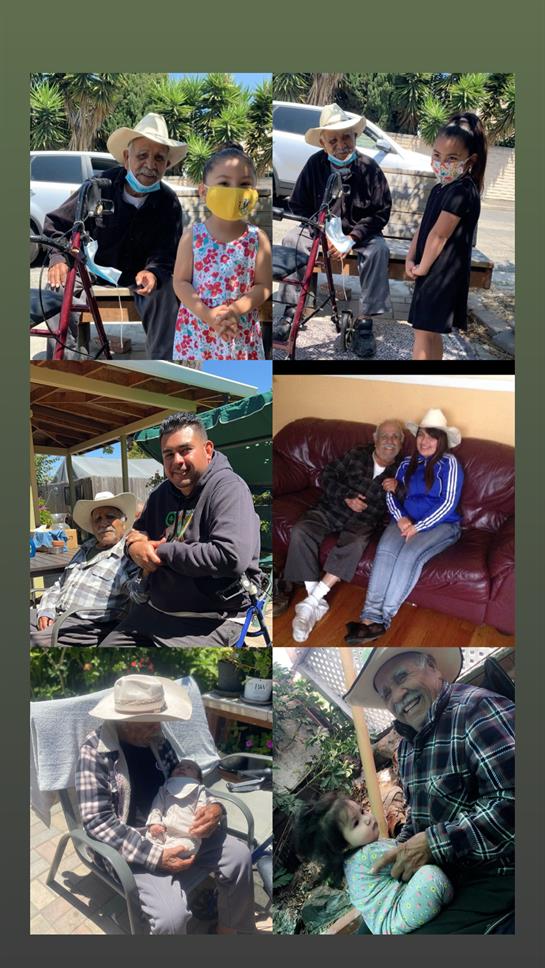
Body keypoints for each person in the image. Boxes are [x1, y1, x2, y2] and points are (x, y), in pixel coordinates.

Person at [344, 648, 515, 934]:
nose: (397, 696)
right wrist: (398, 852)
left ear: (434, 667)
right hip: (445, 872)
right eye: (386, 693)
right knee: (367, 932)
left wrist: (435, 844)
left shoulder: (477, 709)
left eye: (402, 677)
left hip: (498, 871)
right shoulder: (407, 747)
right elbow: (417, 819)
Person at [77, 674, 255, 934]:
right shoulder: (94, 753)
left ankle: (228, 930)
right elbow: (96, 821)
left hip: (180, 827)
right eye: (151, 723)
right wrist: (156, 855)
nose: (159, 729)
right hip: (134, 845)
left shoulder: (156, 742)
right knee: (171, 919)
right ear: (125, 722)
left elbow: (185, 781)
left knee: (239, 857)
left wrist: (215, 808)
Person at [100, 412, 263, 648]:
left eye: (185, 450)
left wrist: (163, 552)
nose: (177, 460)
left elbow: (231, 557)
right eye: (168, 454)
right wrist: (134, 546)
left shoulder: (229, 489)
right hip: (153, 612)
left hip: (210, 619)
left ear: (207, 450)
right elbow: (137, 533)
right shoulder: (161, 494)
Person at [44, 113, 186, 359]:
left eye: (159, 158)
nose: (150, 164)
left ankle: (162, 369)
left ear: (167, 165)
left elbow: (168, 251)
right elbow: (59, 224)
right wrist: (58, 258)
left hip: (138, 278)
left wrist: (153, 271)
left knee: (165, 292)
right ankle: (64, 365)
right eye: (142, 155)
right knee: (56, 287)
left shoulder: (168, 202)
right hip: (89, 271)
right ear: (126, 157)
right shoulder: (99, 186)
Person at [277, 103, 392, 359]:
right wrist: (322, 232)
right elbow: (298, 205)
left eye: (346, 137)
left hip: (360, 235)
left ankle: (364, 323)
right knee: (291, 239)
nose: (341, 144)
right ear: (323, 143)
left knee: (378, 251)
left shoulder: (369, 168)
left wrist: (351, 238)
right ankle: (290, 312)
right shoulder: (314, 165)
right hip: (320, 230)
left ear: (355, 137)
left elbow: (381, 211)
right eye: (333, 140)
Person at [345, 409, 463, 644]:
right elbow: (390, 493)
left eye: (432, 436)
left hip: (440, 524)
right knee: (385, 551)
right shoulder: (407, 462)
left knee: (408, 555)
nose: (424, 441)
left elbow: (449, 502)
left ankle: (383, 620)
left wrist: (418, 527)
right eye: (421, 435)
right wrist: (400, 518)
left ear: (441, 441)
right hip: (404, 520)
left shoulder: (449, 463)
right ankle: (369, 617)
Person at [281, 420, 404, 642]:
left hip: (364, 521)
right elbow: (327, 475)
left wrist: (399, 488)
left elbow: (410, 502)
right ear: (375, 439)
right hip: (333, 507)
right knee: (301, 529)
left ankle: (310, 604)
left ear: (401, 443)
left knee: (356, 543)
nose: (389, 441)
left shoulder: (403, 470)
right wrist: (347, 496)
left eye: (395, 437)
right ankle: (314, 600)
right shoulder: (357, 453)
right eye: (385, 436)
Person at [295, 793, 453, 934]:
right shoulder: (367, 854)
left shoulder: (355, 858)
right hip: (398, 915)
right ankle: (450, 895)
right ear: (343, 846)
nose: (368, 818)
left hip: (387, 921)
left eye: (362, 811)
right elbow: (409, 856)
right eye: (356, 823)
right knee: (431, 876)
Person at [172, 144, 271, 360]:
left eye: (244, 184)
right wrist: (209, 316)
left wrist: (234, 310)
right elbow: (180, 282)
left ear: (253, 192)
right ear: (203, 191)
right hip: (198, 332)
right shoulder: (192, 237)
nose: (234, 191)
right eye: (224, 183)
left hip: (241, 332)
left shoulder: (258, 239)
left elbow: (264, 286)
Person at [406, 112, 488, 360]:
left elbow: (439, 236)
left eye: (452, 158)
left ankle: (417, 387)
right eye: (437, 155)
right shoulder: (441, 188)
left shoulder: (462, 191)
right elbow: (424, 228)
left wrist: (422, 268)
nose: (442, 162)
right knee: (431, 333)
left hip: (439, 273)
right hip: (431, 269)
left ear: (470, 160)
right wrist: (411, 258)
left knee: (422, 333)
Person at [30, 490, 142, 647]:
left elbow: (139, 594)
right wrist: (46, 610)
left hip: (86, 627)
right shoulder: (85, 548)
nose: (103, 523)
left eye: (110, 516)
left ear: (124, 522)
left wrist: (147, 568)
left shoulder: (129, 554)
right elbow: (59, 585)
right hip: (55, 615)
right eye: (98, 519)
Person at [146, 759, 210, 854]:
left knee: (184, 848)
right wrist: (154, 823)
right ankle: (157, 856)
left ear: (198, 779)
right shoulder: (165, 787)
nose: (182, 768)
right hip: (163, 829)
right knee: (150, 839)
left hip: (186, 834)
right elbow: (157, 806)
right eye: (178, 767)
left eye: (189, 768)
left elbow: (202, 805)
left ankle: (163, 857)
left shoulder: (199, 788)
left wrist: (201, 813)